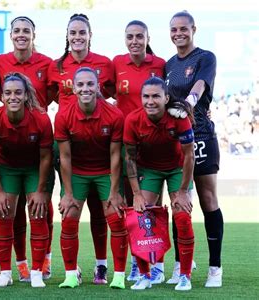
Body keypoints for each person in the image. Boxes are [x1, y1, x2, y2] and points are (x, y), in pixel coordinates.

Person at [48, 13, 116, 285]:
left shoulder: (105, 64)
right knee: (70, 204)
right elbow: (44, 98)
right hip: (68, 143)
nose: (77, 37)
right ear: (67, 36)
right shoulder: (56, 66)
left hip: (99, 141)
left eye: (82, 32)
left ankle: (101, 266)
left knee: (102, 210)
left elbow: (113, 98)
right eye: (72, 33)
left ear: (90, 35)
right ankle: (70, 268)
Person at [165, 11, 223, 288]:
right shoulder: (168, 65)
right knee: (179, 202)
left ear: (193, 29)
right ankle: (180, 265)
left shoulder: (205, 57)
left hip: (200, 136)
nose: (178, 33)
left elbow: (200, 84)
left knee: (208, 200)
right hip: (176, 141)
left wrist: (190, 99)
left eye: (183, 28)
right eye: (174, 29)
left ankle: (215, 268)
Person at [55, 67, 128, 289]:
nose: (85, 88)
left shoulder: (114, 115)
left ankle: (119, 276)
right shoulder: (63, 116)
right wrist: (68, 194)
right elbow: (65, 158)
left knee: (116, 218)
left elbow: (116, 155)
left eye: (90, 84)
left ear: (98, 87)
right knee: (68, 218)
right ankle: (70, 274)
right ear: (73, 88)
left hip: (106, 172)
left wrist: (115, 192)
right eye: (80, 85)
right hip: (76, 172)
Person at [0, 16, 55, 281]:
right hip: (10, 149)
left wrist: (34, 113)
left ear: (33, 34)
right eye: (16, 30)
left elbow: (52, 95)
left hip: (37, 142)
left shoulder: (47, 64)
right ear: (11, 34)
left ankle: (43, 262)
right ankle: (15, 266)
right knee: (10, 211)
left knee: (42, 208)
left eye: (26, 31)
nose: (21, 34)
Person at [0, 72, 53, 288]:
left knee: (38, 214)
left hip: (34, 169)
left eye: (18, 93)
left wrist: (40, 190)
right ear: (2, 96)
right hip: (7, 168)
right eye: (8, 93)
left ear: (25, 95)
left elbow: (46, 157)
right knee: (4, 215)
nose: (13, 97)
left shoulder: (40, 119)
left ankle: (37, 272)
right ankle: (5, 273)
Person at [123, 76, 195, 291]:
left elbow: (189, 156)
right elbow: (130, 159)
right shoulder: (133, 120)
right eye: (146, 96)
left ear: (166, 98)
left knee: (182, 215)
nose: (150, 101)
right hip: (150, 170)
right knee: (139, 216)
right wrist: (136, 194)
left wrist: (183, 191)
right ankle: (145, 275)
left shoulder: (179, 119)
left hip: (178, 169)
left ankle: (185, 275)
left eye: (156, 96)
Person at [112, 20, 166, 283]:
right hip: (126, 143)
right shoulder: (116, 64)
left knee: (153, 207)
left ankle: (157, 263)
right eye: (130, 36)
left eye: (139, 36)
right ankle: (137, 261)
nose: (134, 41)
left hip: (154, 144)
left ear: (147, 38)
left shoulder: (159, 64)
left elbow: (168, 96)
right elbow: (106, 92)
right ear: (125, 39)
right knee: (129, 208)